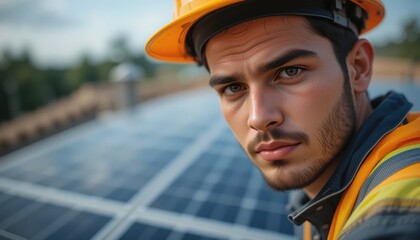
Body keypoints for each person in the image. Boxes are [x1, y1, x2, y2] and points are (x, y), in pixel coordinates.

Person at [145, 0, 420, 239]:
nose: (259, 118)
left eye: (290, 72)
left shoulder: (401, 210)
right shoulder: (327, 190)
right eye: (232, 88)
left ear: (358, 68)